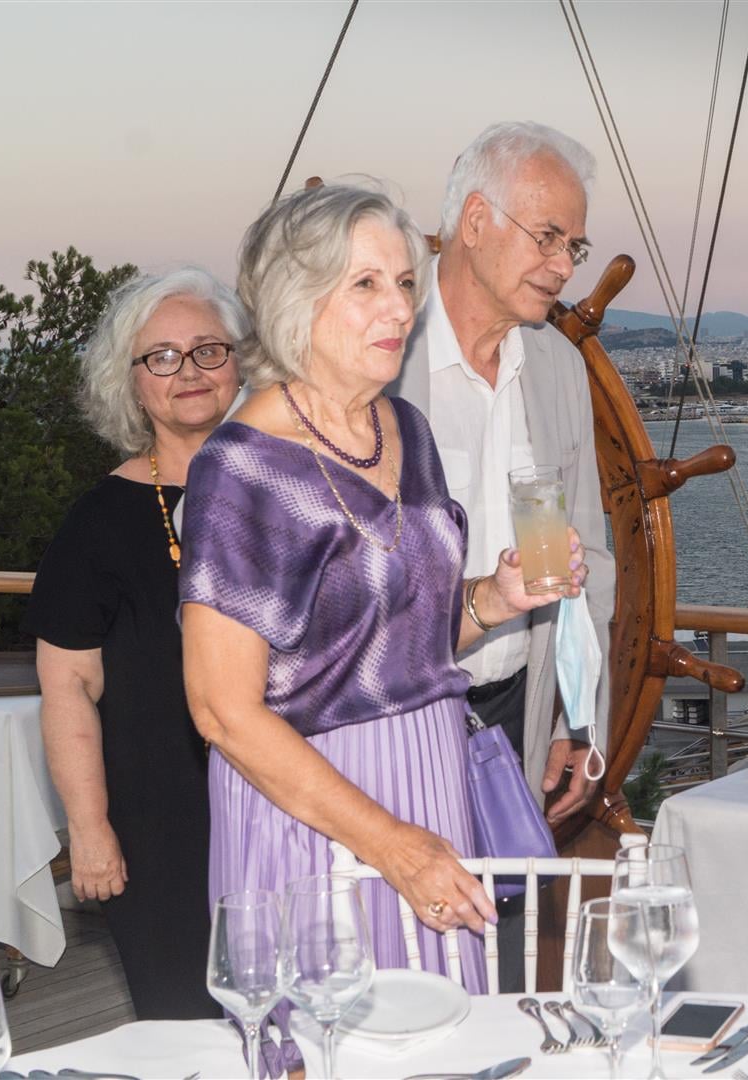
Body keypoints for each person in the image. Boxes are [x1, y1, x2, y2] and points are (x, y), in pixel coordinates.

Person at [179, 183, 588, 1005]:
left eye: (404, 282)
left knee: (446, 1034)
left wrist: (494, 599)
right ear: (296, 298)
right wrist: (393, 845)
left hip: (433, 781)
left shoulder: (406, 430)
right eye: (365, 283)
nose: (399, 307)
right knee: (335, 1034)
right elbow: (222, 711)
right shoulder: (242, 468)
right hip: (317, 811)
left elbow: (404, 639)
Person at [389, 121, 616, 991]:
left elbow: (583, 555)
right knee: (403, 966)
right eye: (548, 237)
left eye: (575, 247)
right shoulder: (380, 355)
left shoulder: (556, 367)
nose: (563, 267)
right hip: (396, 717)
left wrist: (574, 719)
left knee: (507, 967)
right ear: (476, 220)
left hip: (517, 716)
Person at [24, 268, 247, 1020]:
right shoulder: (99, 522)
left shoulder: (290, 492)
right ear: (131, 383)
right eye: (162, 357)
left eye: (208, 349)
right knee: (186, 1032)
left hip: (289, 808)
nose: (189, 371)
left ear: (240, 361)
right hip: (161, 831)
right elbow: (67, 686)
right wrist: (89, 831)